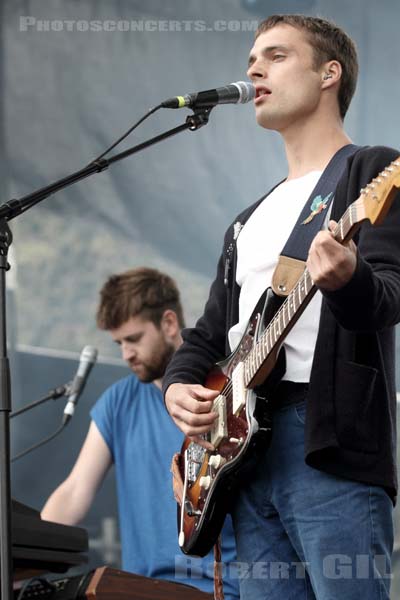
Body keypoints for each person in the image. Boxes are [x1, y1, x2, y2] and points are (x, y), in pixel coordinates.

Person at [163, 14, 400, 600]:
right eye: (251, 58)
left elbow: (389, 297)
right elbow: (207, 336)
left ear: (329, 73)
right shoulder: (247, 220)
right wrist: (178, 386)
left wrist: (348, 279)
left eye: (275, 55)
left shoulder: (369, 172)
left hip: (325, 445)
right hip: (242, 455)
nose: (253, 68)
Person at [41, 267, 239, 600]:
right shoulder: (118, 402)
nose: (126, 354)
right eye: (119, 343)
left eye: (133, 339)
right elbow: (75, 490)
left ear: (169, 324)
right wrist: (23, 553)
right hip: (138, 591)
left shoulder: (223, 389)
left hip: (220, 591)